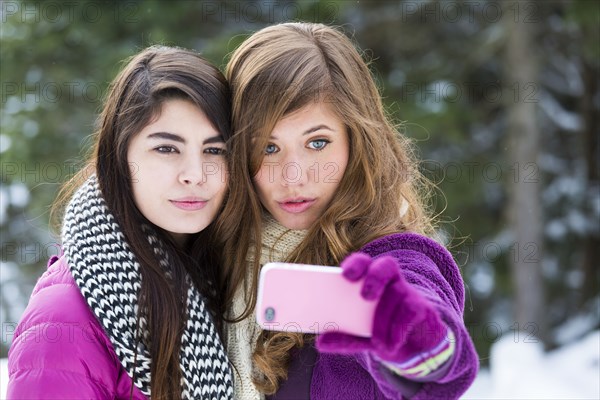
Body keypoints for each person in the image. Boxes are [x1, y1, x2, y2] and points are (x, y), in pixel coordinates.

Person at [217, 22, 479, 399]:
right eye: (268, 147)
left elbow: (439, 357)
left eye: (318, 142)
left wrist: (418, 339)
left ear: (356, 141)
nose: (294, 176)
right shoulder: (212, 252)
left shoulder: (388, 257)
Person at [7, 45, 234, 399]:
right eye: (166, 148)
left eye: (214, 150)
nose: (195, 174)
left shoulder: (230, 281)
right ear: (120, 157)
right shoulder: (63, 321)